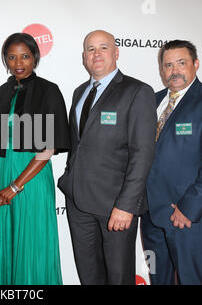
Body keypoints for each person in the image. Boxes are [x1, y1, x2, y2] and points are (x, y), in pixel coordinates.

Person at [58, 30, 156, 285]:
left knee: (118, 276)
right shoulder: (79, 92)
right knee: (89, 275)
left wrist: (126, 206)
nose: (96, 54)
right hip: (78, 202)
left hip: (115, 205)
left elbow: (142, 153)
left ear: (116, 52)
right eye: (91, 49)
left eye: (103, 47)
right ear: (84, 57)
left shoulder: (137, 91)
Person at [0, 32, 70, 285]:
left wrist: (16, 186)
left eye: (25, 56)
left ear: (35, 58)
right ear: (5, 60)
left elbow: (48, 148)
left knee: (31, 243)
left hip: (31, 180)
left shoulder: (49, 91)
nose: (18, 62)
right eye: (12, 56)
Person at [141, 40, 202, 285]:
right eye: (168, 65)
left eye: (181, 63)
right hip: (151, 214)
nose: (174, 70)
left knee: (192, 280)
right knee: (160, 280)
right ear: (161, 69)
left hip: (188, 216)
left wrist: (189, 207)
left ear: (196, 64)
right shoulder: (152, 101)